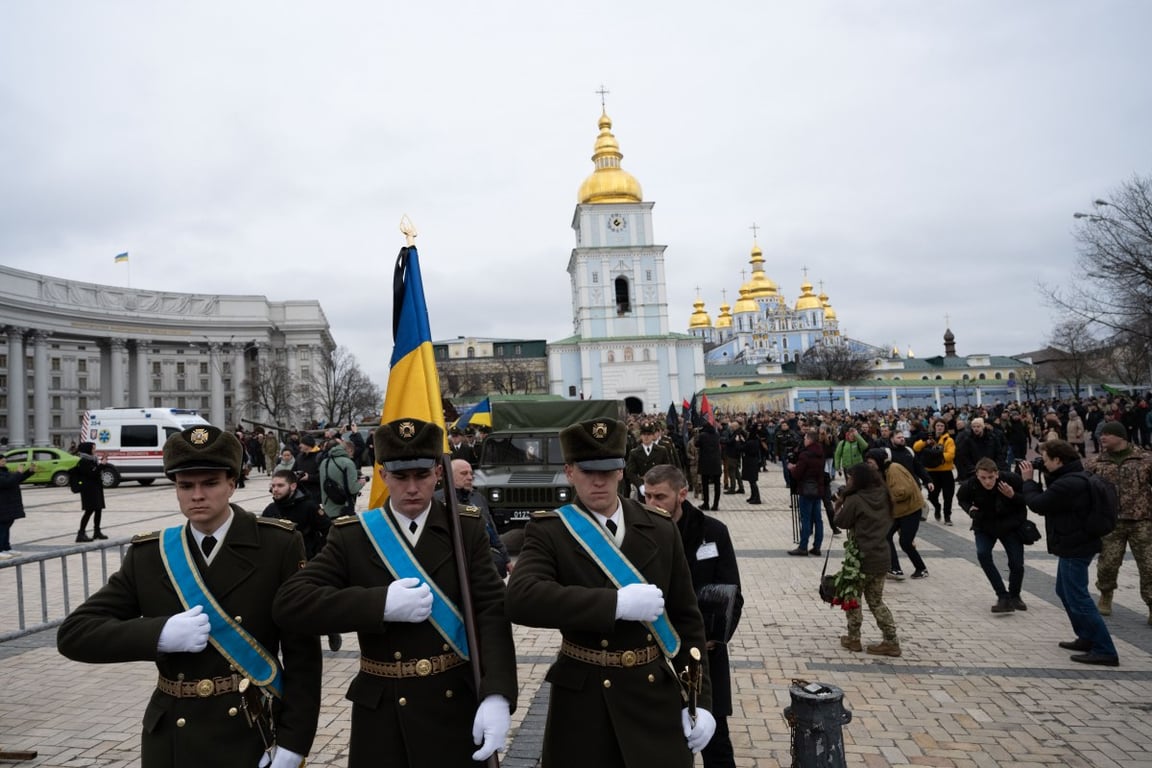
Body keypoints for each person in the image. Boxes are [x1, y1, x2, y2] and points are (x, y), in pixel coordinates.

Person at [56, 425, 322, 767]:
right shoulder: (151, 555)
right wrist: (160, 634)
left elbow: (303, 655)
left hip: (248, 730)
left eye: (210, 483)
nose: (197, 495)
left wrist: (294, 743)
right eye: (186, 485)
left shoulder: (277, 545)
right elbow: (75, 634)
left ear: (232, 483)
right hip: (172, 738)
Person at [273, 418, 517, 767]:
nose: (413, 487)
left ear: (437, 473)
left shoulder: (465, 528)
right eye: (401, 477)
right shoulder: (354, 536)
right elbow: (291, 603)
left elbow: (491, 612)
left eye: (421, 475)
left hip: (454, 703)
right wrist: (378, 604)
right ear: (383, 475)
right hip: (383, 714)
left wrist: (497, 693)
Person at [506, 418, 715, 767]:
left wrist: (699, 701)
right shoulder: (551, 531)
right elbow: (521, 598)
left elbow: (687, 621)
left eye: (608, 469)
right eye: (588, 471)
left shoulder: (661, 528)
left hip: (651, 693)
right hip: (582, 700)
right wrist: (614, 604)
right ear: (570, 472)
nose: (598, 480)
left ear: (622, 470)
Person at [644, 465, 742, 768]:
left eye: (660, 496)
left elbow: (732, 594)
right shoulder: (641, 533)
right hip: (657, 651)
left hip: (705, 652)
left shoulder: (712, 532)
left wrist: (715, 638)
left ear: (682, 495)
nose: (652, 504)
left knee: (715, 741)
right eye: (646, 496)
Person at [1019, 439, 1119, 666]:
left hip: (1075, 546)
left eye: (1045, 461)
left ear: (1058, 460)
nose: (1042, 464)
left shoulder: (1069, 484)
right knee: (1064, 591)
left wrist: (1028, 481)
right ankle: (1086, 637)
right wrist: (1044, 472)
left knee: (1078, 596)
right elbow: (1056, 494)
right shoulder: (1073, 477)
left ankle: (1105, 649)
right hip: (1075, 543)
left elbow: (1039, 504)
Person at [834, 463, 901, 657]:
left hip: (860, 559)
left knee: (853, 599)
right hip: (881, 556)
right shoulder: (884, 495)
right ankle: (891, 640)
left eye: (850, 478)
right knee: (876, 601)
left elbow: (840, 522)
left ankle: (853, 638)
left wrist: (839, 503)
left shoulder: (855, 499)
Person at [1087, 421, 1152, 622]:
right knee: (1107, 563)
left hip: (1141, 520)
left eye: (1107, 434)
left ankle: (1151, 603)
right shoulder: (1095, 463)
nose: (1102, 437)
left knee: (1149, 565)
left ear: (1121, 437)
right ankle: (1106, 595)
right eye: (1101, 434)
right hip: (1111, 521)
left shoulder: (1145, 460)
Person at [957, 457, 1028, 612]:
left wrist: (1012, 496)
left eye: (990, 477)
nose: (987, 482)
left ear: (997, 474)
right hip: (984, 525)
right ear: (977, 475)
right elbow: (961, 499)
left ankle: (1015, 595)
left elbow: (1027, 500)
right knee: (983, 554)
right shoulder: (971, 485)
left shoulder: (1011, 480)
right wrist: (970, 510)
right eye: (983, 478)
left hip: (1010, 526)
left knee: (1016, 563)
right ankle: (1003, 596)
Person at [435, 458, 513, 578]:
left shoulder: (478, 498)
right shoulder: (438, 500)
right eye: (464, 473)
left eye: (471, 473)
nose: (470, 477)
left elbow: (491, 530)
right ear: (450, 475)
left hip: (483, 560)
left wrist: (506, 559)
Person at [865, 449, 929, 581]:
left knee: (905, 542)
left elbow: (903, 492)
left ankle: (921, 568)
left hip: (911, 510)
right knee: (886, 535)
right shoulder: (884, 472)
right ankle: (895, 569)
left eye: (871, 462)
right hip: (899, 511)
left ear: (878, 460)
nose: (869, 465)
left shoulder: (893, 469)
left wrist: (886, 498)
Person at [787, 429, 826, 556]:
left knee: (806, 518)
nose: (804, 440)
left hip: (806, 489)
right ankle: (817, 546)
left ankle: (803, 546)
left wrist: (792, 468)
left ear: (809, 440)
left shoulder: (805, 455)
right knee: (818, 519)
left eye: (805, 438)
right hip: (818, 488)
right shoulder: (820, 453)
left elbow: (798, 473)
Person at [915, 419, 957, 525]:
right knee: (932, 495)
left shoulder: (948, 440)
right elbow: (916, 447)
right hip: (931, 472)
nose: (939, 428)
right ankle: (937, 507)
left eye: (942, 426)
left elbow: (951, 454)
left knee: (948, 496)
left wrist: (937, 456)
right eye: (937, 425)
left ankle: (947, 516)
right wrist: (925, 442)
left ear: (944, 428)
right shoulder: (928, 438)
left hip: (945, 472)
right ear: (934, 427)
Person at [318, 437, 364, 519]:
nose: (352, 456)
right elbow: (352, 489)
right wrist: (361, 483)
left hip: (327, 508)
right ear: (349, 450)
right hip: (343, 508)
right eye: (352, 453)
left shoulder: (324, 462)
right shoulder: (348, 463)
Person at [0, 453, 36, 558]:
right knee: (2, 527)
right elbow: (7, 482)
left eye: (4, 460)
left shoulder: (4, 471)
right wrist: (18, 473)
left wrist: (29, 472)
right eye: (2, 460)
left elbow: (15, 480)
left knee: (6, 526)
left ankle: (6, 547)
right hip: (2, 505)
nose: (4, 461)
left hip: (8, 504)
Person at [71, 442, 108, 542]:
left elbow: (96, 471)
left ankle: (97, 531)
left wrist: (103, 462)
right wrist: (101, 465)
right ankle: (81, 534)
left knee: (98, 509)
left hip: (96, 488)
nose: (94, 450)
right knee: (89, 511)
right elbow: (92, 473)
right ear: (88, 450)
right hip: (88, 490)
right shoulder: (84, 461)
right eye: (93, 449)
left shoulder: (92, 459)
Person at [625, 422, 672, 498]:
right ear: (641, 436)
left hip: (658, 485)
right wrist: (640, 485)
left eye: (649, 434)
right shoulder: (635, 452)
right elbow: (630, 472)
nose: (646, 437)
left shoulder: (661, 451)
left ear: (653, 436)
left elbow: (667, 469)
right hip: (644, 486)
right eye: (644, 434)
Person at [695, 422, 723, 511]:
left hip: (705, 463)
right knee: (717, 485)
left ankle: (706, 503)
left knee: (705, 484)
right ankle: (715, 505)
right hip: (716, 462)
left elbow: (696, 444)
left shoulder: (702, 435)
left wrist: (697, 434)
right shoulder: (717, 435)